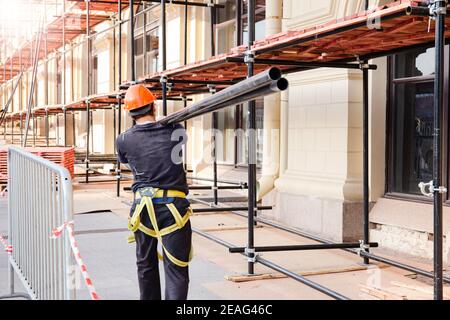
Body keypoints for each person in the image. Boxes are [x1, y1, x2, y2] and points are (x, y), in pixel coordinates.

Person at [116, 84, 192, 300]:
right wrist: (165, 121)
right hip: (173, 210)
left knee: (146, 266)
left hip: (143, 210)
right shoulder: (175, 129)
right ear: (154, 106)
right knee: (176, 269)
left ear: (130, 112)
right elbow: (179, 140)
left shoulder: (123, 140)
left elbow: (126, 159)